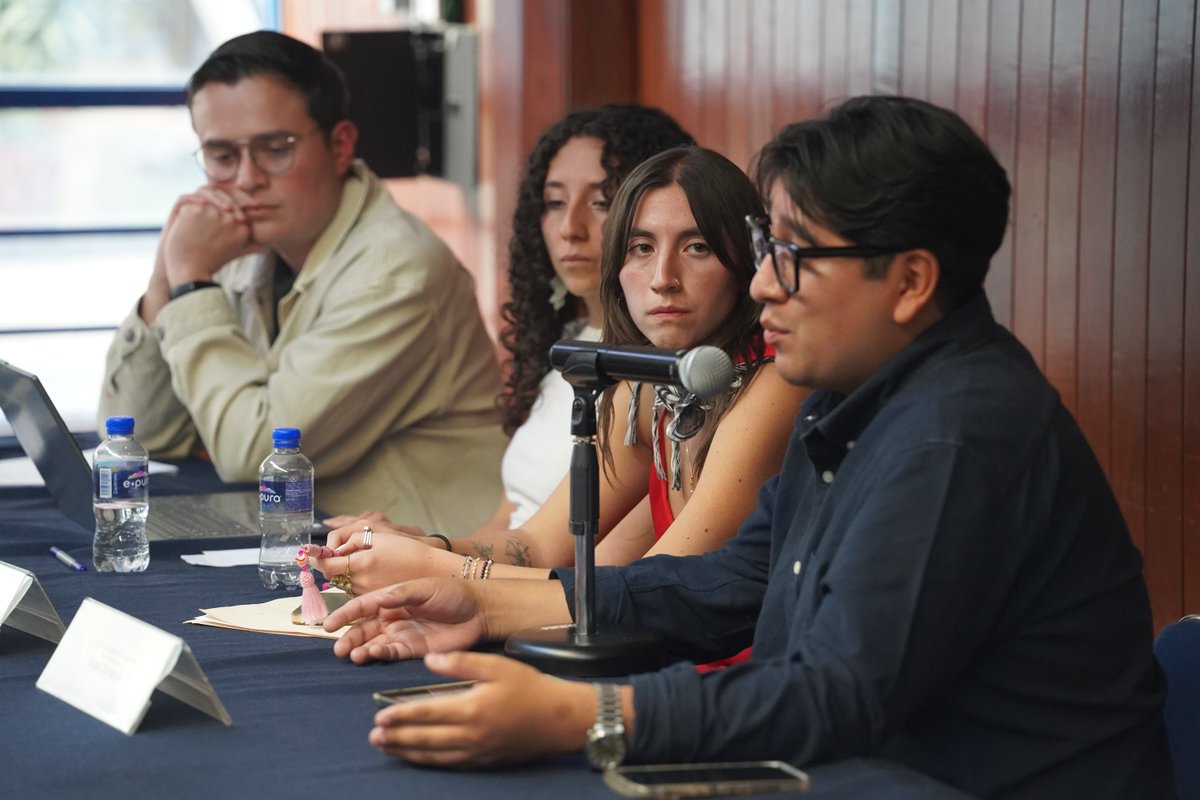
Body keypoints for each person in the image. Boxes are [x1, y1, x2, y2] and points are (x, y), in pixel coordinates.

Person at [320, 96, 1175, 799]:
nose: (764, 282)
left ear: (911, 281)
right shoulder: (852, 395)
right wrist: (486, 606)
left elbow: (838, 693)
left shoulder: (958, 435)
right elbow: (731, 582)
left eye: (794, 256)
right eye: (769, 248)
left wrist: (584, 717)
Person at [308, 146, 807, 591]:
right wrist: (427, 549)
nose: (663, 279)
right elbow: (541, 548)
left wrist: (431, 566)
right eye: (641, 248)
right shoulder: (646, 384)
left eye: (696, 247)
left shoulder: (772, 380)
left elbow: (650, 590)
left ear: (746, 264)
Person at [95, 31, 507, 532]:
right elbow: (144, 438)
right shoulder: (240, 244)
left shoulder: (397, 272)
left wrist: (192, 286)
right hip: (303, 540)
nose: (246, 180)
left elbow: (255, 454)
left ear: (340, 146)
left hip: (424, 567)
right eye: (222, 156)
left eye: (275, 149)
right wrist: (166, 278)